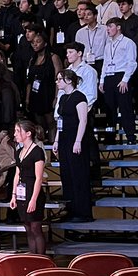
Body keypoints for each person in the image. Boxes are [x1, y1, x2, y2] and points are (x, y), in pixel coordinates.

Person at [54, 70, 92, 222]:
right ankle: (70, 209)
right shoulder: (63, 98)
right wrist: (56, 140)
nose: (57, 82)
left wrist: (78, 141)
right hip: (64, 138)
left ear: (69, 80)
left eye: (59, 79)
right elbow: (60, 121)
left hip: (75, 139)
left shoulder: (79, 97)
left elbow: (83, 121)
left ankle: (83, 212)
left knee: (78, 175)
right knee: (66, 175)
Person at [10, 119, 47, 254]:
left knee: (35, 227)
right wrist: (13, 195)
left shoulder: (37, 151)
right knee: (27, 228)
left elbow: (38, 178)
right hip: (22, 193)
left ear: (28, 133)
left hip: (33, 192)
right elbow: (17, 174)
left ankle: (42, 259)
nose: (15, 134)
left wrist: (33, 199)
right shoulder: (19, 151)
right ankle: (32, 258)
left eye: (18, 131)